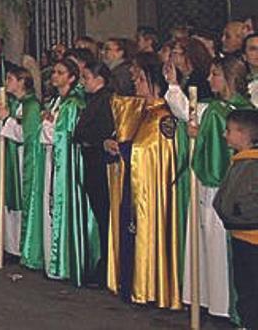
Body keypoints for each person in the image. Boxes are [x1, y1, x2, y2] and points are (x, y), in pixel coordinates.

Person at [165, 55, 252, 319]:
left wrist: (200, 133)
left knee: (218, 244)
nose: (208, 79)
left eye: (214, 74)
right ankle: (207, 300)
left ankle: (224, 306)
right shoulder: (213, 107)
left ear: (229, 78)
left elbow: (225, 137)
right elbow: (187, 112)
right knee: (203, 243)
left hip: (225, 187)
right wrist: (172, 85)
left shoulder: (241, 111)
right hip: (204, 185)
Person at [106, 57, 189, 309]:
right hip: (134, 187)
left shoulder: (164, 118)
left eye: (141, 79)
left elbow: (157, 155)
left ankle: (151, 285)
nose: (136, 84)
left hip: (151, 194)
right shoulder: (143, 112)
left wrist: (126, 149)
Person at [40, 57, 99, 284]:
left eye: (60, 72)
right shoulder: (56, 101)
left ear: (72, 78)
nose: (55, 76)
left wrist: (47, 124)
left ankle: (63, 261)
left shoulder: (74, 104)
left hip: (65, 163)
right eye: (54, 72)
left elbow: (62, 135)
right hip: (51, 160)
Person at [0, 65, 44, 264]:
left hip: (22, 160)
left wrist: (7, 119)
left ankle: (19, 247)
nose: (6, 83)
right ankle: (7, 245)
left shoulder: (31, 105)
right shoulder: (13, 102)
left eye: (10, 79)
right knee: (6, 204)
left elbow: (27, 134)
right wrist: (0, 118)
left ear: (22, 81)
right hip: (9, 159)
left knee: (19, 205)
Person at [213, 109, 258, 330]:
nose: (224, 135)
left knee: (252, 290)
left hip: (253, 239)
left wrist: (237, 212)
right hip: (240, 236)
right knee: (244, 289)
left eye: (229, 131)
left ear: (243, 134)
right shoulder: (239, 163)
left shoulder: (252, 165)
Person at [72, 60, 115, 285]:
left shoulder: (105, 101)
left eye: (86, 77)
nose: (83, 82)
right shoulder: (93, 101)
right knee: (100, 216)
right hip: (92, 161)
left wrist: (92, 139)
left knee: (105, 216)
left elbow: (98, 132)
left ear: (99, 80)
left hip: (100, 164)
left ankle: (107, 266)